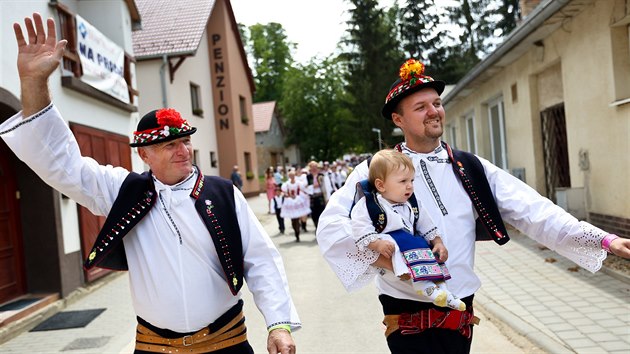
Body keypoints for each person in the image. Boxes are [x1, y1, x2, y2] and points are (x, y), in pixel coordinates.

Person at [3, 14, 300, 354]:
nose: (183, 150)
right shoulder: (123, 191)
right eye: (169, 145)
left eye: (185, 141)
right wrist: (34, 83)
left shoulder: (223, 193)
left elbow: (261, 259)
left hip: (227, 345)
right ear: (145, 155)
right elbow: (62, 164)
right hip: (155, 349)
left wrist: (278, 324)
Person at [316, 58, 630, 354]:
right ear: (399, 119)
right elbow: (332, 225)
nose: (433, 111)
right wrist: (388, 258)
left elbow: (532, 208)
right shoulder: (377, 170)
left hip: (461, 306)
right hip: (406, 310)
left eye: (437, 104)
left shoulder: (468, 166)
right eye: (421, 107)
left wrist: (603, 239)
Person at [351, 149, 465, 312]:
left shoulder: (412, 202)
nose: (410, 186)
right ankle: (425, 287)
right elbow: (360, 228)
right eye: (403, 181)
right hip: (392, 245)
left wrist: (437, 241)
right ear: (381, 185)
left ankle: (444, 291)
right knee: (398, 245)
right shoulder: (370, 204)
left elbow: (426, 223)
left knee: (431, 254)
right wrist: (376, 244)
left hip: (411, 241)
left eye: (411, 180)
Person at [280, 170, 311, 242]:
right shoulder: (286, 184)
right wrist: (287, 195)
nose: (292, 177)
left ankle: (298, 232)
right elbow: (284, 192)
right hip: (290, 202)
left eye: (293, 175)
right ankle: (296, 231)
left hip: (297, 201)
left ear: (295, 176)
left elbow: (304, 188)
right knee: (293, 219)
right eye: (290, 176)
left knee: (297, 217)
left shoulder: (298, 183)